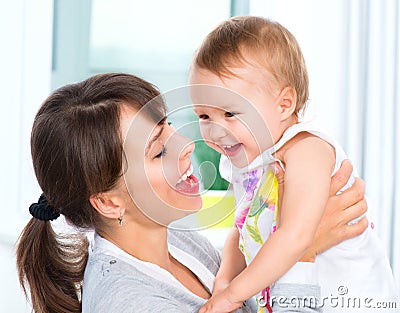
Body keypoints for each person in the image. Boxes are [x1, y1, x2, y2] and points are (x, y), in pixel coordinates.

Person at [16, 73, 368, 313]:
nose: (185, 146)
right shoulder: (129, 303)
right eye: (158, 151)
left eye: (168, 125)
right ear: (109, 202)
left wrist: (295, 220)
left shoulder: (174, 242)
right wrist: (302, 249)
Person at [189, 16, 399, 313]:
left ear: (284, 104)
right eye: (204, 116)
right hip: (299, 299)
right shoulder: (248, 160)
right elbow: (242, 229)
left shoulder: (306, 149)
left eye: (230, 114)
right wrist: (223, 279)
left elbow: (298, 235)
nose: (215, 130)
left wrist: (233, 294)